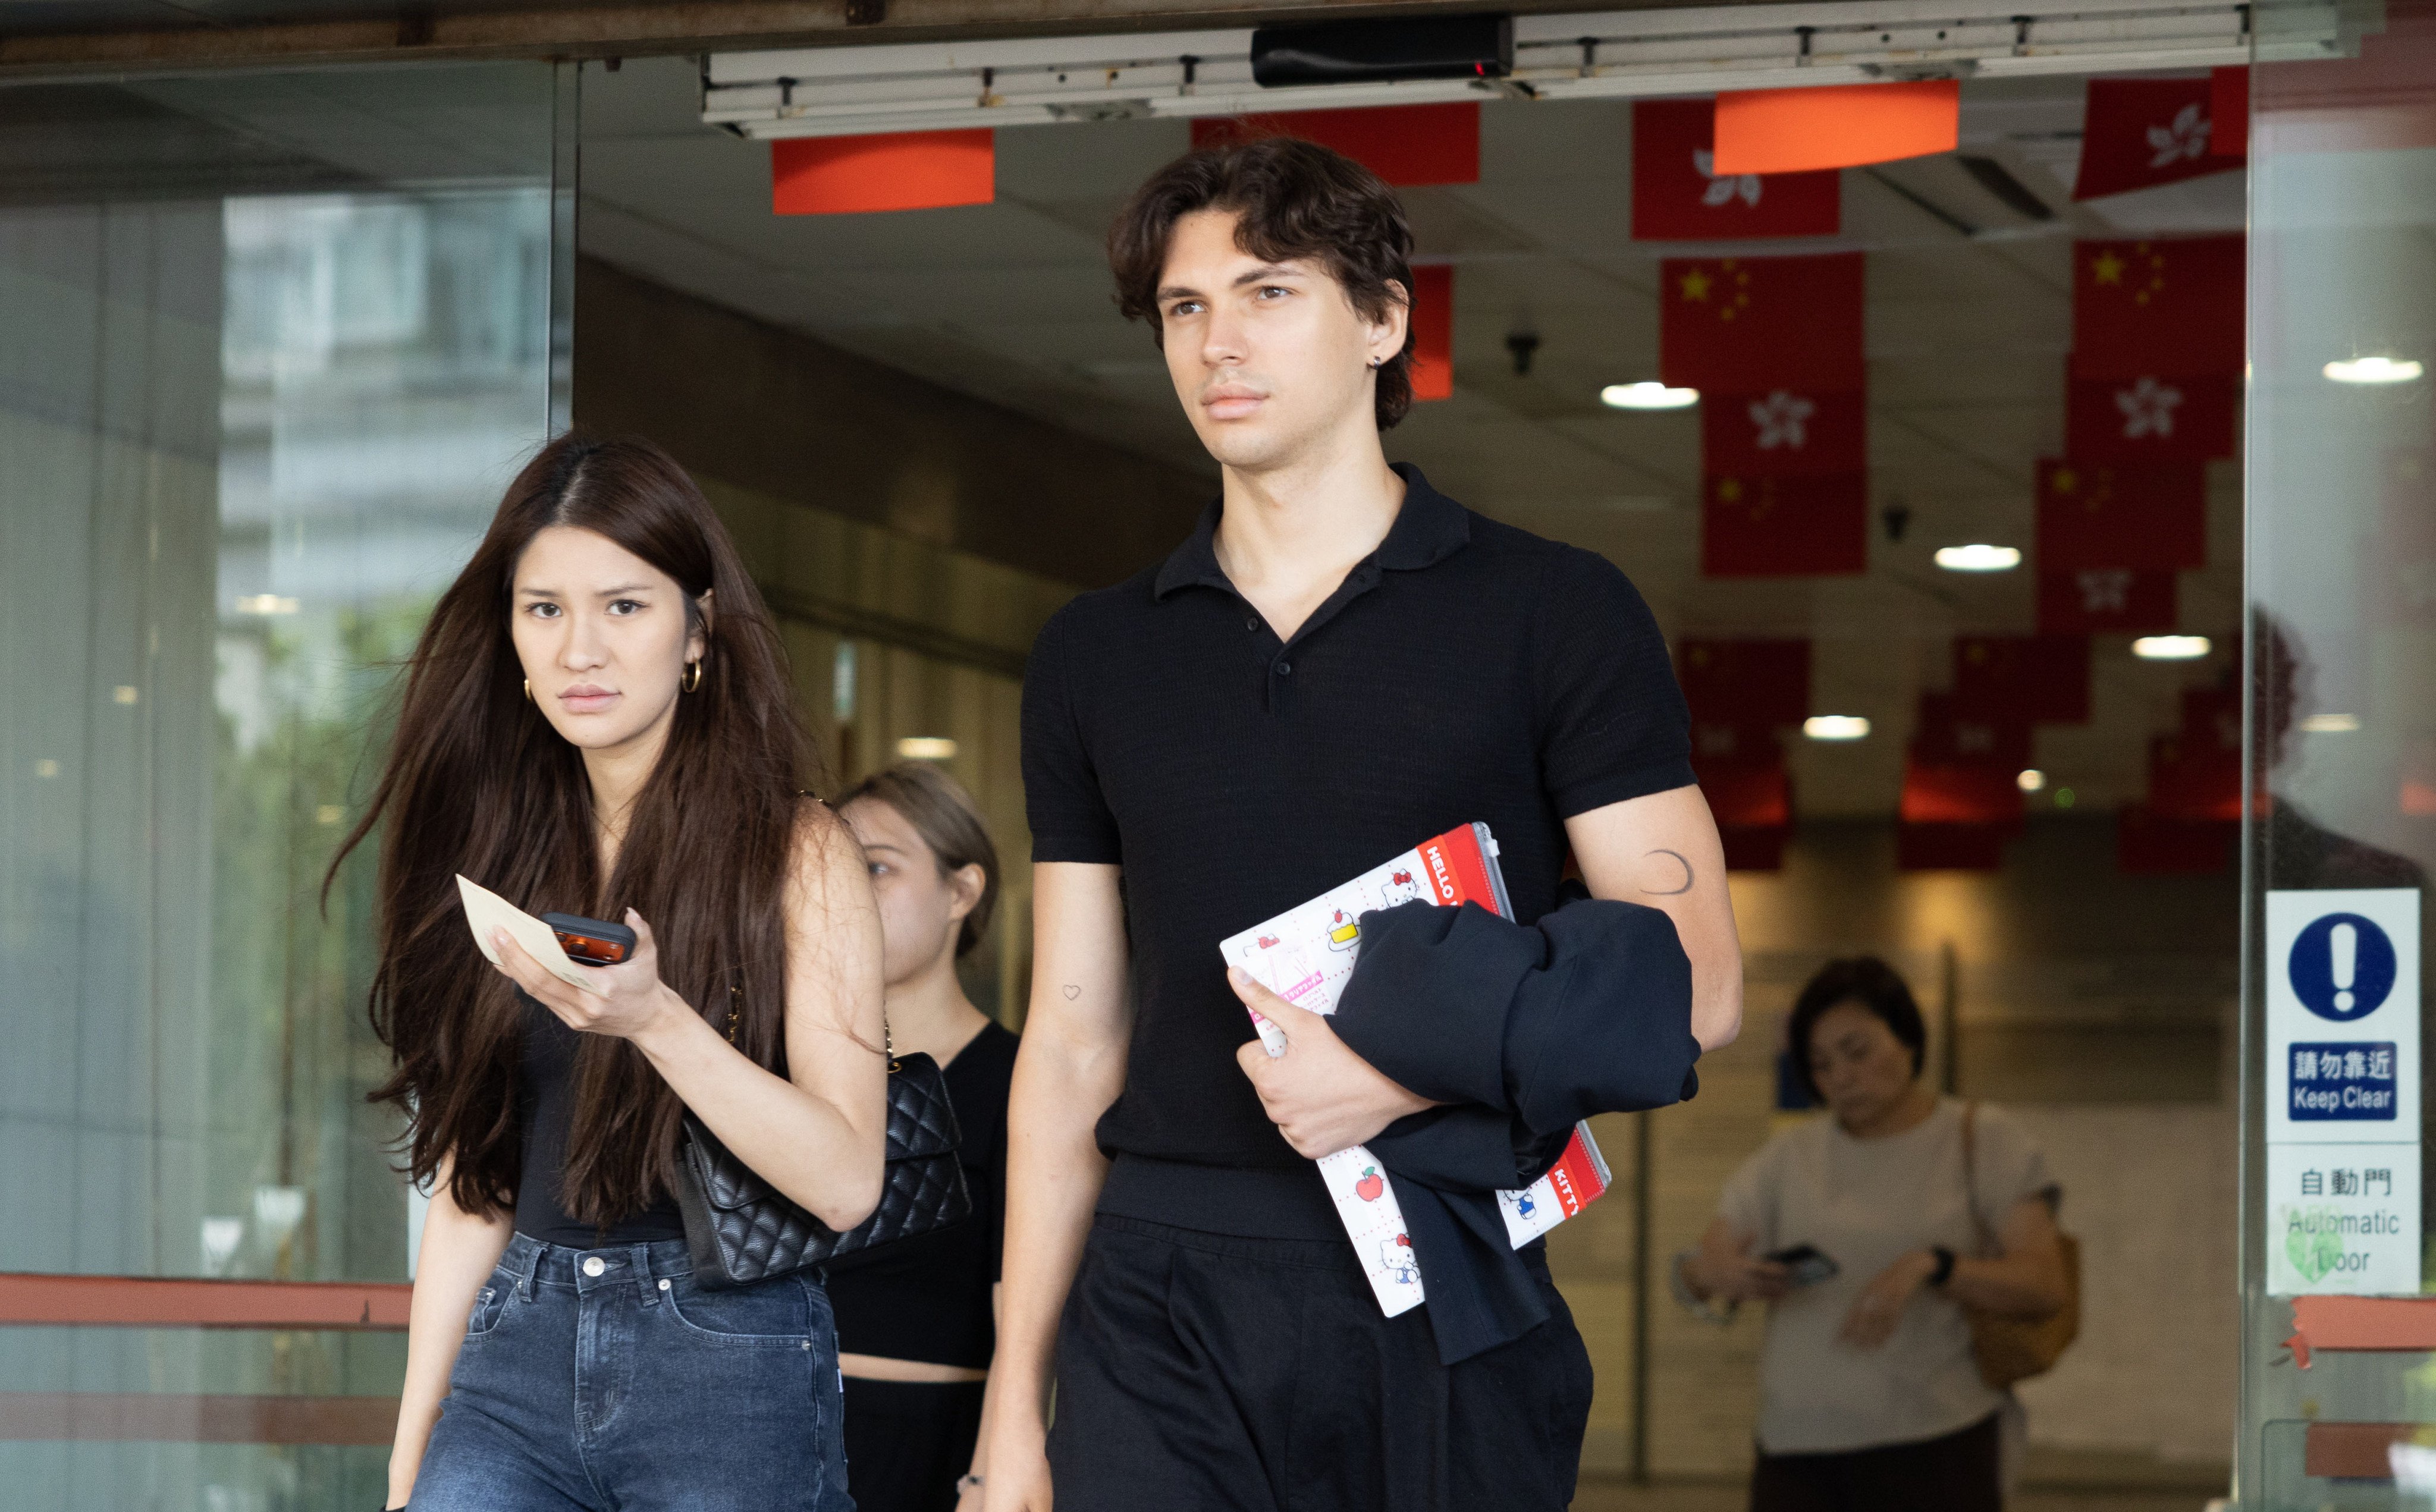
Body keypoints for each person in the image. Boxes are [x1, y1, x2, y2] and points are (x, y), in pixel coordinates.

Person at [982, 137, 1745, 1512]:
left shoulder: (1552, 612)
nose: (1220, 342)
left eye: (1270, 293)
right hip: (1156, 1283)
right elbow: (1073, 1041)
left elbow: (1695, 975)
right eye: (1185, 307)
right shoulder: (1095, 653)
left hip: (1435, 1265)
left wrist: (1404, 1074)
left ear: (1385, 320)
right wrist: (1010, 1411)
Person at [341, 433, 889, 1512]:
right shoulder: (495, 850)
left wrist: (656, 1019)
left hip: (725, 1356)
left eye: (624, 606)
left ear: (698, 630)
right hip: (514, 1353)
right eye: (543, 609)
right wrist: (412, 1454)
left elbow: (845, 1178)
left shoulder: (798, 851)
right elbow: (472, 1187)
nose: (579, 647)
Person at [1675, 956, 2070, 1512]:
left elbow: (2044, 1284)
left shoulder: (1980, 1137)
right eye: (1820, 1063)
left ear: (1907, 1037)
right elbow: (1703, 1263)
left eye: (1856, 1050)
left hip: (1937, 1443)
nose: (1841, 1076)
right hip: (1797, 1449)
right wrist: (1711, 1269)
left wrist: (1935, 1265)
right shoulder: (1788, 1158)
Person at [828, 764, 1020, 1512]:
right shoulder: (779, 1079)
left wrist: (991, 1473)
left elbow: (1027, 1317)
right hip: (755, 1435)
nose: (845, 894)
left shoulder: (1020, 1083)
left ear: (962, 890)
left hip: (921, 1452)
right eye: (832, 871)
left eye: (875, 867)